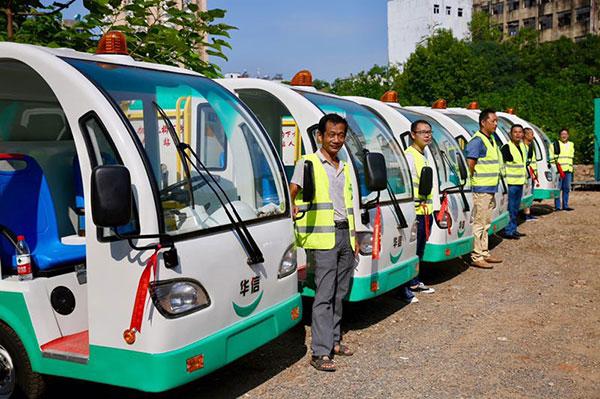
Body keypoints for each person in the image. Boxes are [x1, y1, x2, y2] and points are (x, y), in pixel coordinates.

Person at [290, 113, 357, 372]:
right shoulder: (307, 163)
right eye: (331, 134)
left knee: (340, 293)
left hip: (344, 236)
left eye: (341, 135)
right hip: (322, 236)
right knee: (324, 295)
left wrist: (355, 237)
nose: (336, 140)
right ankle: (320, 352)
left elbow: (349, 205)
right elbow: (292, 191)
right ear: (320, 136)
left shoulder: (345, 167)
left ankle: (335, 341)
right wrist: (293, 209)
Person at [399, 120, 435, 304]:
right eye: (422, 132)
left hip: (425, 210)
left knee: (420, 249)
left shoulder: (423, 155)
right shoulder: (410, 156)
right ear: (413, 135)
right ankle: (405, 288)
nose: (427, 135)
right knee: (411, 251)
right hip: (415, 211)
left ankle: (414, 281)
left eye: (429, 132)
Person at [465, 109, 503, 269]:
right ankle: (476, 255)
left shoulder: (491, 139)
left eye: (496, 121)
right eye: (493, 121)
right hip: (481, 189)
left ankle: (484, 252)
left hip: (490, 188)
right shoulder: (477, 141)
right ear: (483, 122)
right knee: (479, 223)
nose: (495, 124)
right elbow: (470, 165)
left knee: (486, 222)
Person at [500, 124, 527, 239]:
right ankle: (508, 231)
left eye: (520, 132)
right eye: (515, 132)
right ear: (511, 134)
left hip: (520, 182)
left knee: (516, 208)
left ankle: (513, 228)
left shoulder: (523, 147)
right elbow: (503, 165)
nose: (517, 134)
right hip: (510, 183)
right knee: (510, 208)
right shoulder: (506, 147)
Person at [554, 128, 575, 211]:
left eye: (565, 134)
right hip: (559, 170)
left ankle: (565, 206)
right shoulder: (555, 144)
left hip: (568, 170)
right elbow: (553, 157)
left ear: (568, 135)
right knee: (558, 189)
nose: (564, 136)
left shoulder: (571, 144)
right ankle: (558, 207)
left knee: (566, 188)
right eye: (562, 134)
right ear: (560, 135)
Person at [522, 127, 538, 221]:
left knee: (530, 194)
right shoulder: (523, 147)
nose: (533, 136)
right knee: (526, 194)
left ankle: (528, 213)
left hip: (532, 174)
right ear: (526, 135)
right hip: (527, 175)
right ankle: (526, 215)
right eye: (531, 134)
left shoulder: (530, 146)